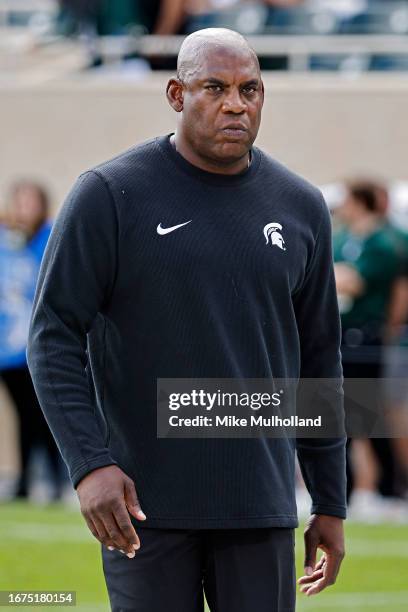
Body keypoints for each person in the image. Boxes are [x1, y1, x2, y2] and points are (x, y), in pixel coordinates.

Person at [27, 28, 346, 611]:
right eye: (214, 87)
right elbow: (52, 338)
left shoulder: (300, 206)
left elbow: (320, 356)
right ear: (177, 94)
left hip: (261, 504)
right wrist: (89, 465)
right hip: (144, 507)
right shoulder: (110, 194)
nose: (235, 104)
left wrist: (330, 498)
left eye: (250, 89)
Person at [0, 181, 62, 500]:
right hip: (8, 349)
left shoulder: (49, 237)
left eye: (30, 201)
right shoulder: (7, 240)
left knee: (44, 414)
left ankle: (56, 480)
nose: (23, 208)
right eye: (18, 201)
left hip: (37, 346)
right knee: (24, 417)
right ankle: (24, 481)